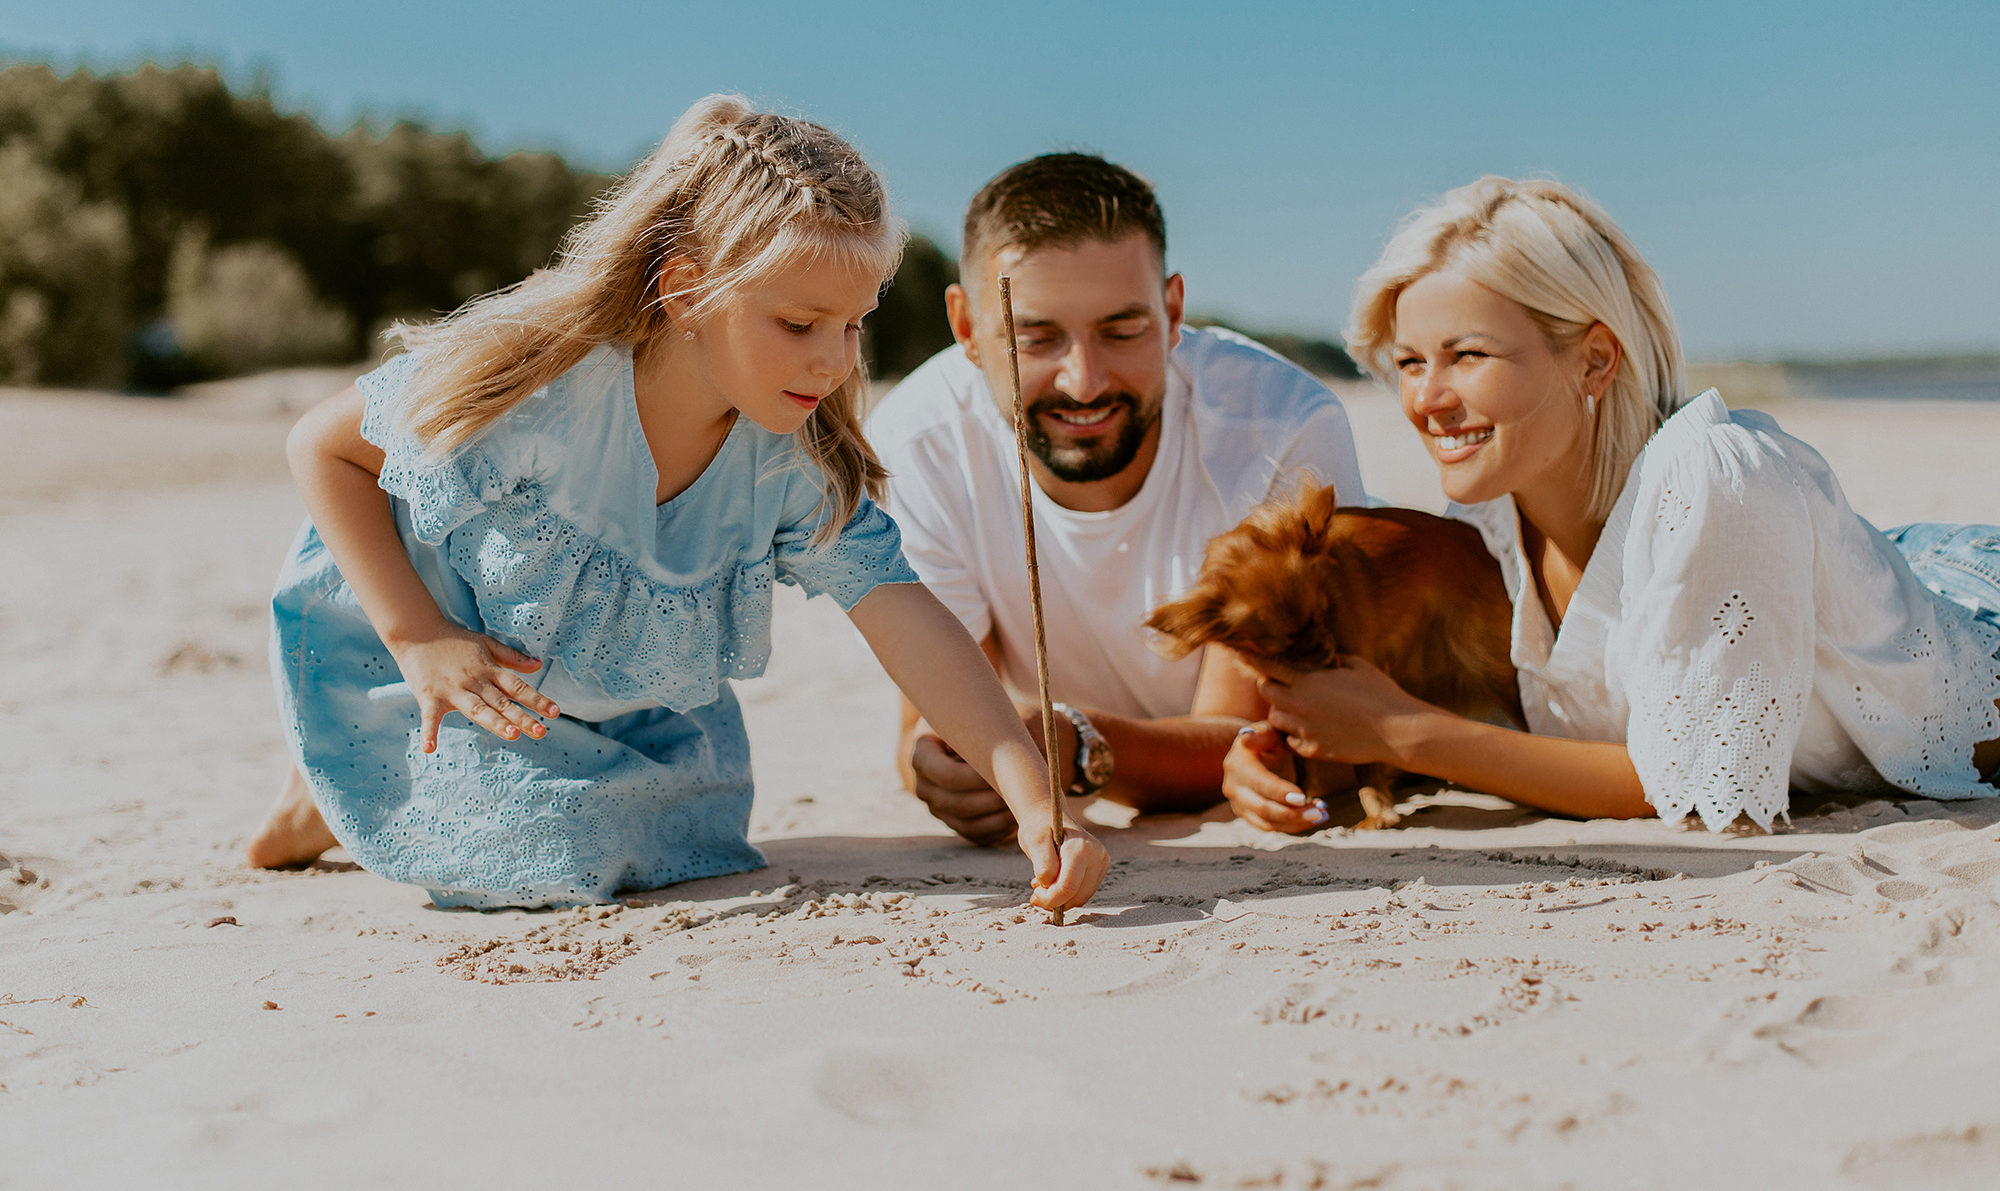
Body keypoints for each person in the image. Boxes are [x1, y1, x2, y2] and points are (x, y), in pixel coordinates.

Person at [245, 95, 1106, 912]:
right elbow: (321, 447)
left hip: (592, 698)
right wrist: (419, 639)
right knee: (549, 849)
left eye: (854, 325)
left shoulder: (788, 460)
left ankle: (371, 792)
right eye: (800, 325)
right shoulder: (551, 386)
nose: (835, 361)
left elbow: (904, 616)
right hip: (430, 667)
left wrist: (1035, 800)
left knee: (692, 826)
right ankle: (333, 788)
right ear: (688, 289)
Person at [1225, 176, 2000, 834]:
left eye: (1468, 354)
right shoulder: (1490, 528)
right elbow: (1485, 730)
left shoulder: (1715, 482)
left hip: (1969, 603)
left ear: (1594, 360)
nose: (1426, 398)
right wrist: (1292, 756)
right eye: (1408, 362)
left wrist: (1405, 732)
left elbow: (1691, 794)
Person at [869, 153, 1367, 843]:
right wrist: (942, 765)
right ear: (965, 327)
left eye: (1122, 330)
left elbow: (1247, 739)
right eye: (1036, 336)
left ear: (1172, 311)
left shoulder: (1283, 429)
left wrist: (1073, 745)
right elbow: (935, 721)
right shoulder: (915, 439)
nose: (1083, 381)